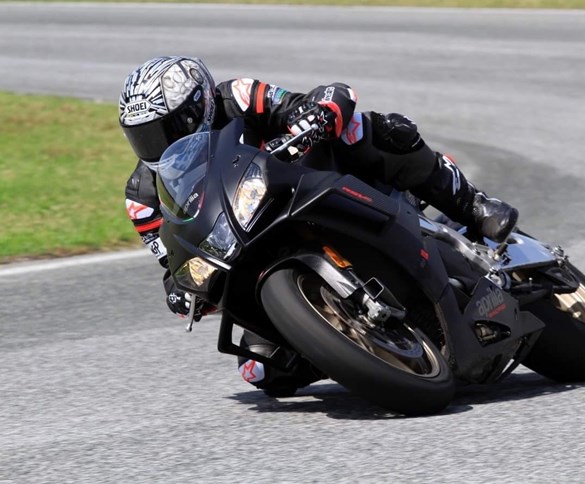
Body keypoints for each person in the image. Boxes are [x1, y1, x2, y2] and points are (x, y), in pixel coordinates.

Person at [121, 56, 518, 396]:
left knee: (364, 128)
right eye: (143, 137)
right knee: (261, 371)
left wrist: (317, 114)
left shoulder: (236, 97)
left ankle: (471, 203)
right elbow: (172, 261)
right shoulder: (142, 198)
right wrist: (181, 291)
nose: (157, 144)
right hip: (249, 252)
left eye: (165, 129)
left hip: (306, 188)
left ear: (199, 106)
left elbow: (315, 99)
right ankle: (354, 349)